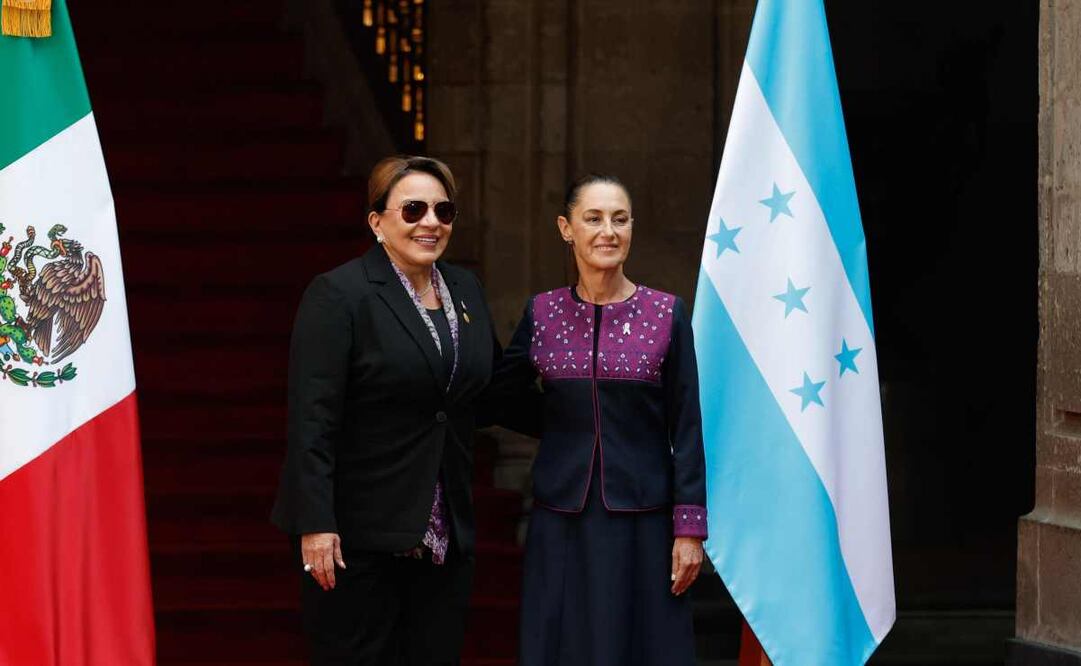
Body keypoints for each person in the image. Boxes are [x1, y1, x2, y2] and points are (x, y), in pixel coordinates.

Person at [270, 155, 500, 666]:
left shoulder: (465, 289)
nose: (431, 223)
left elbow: (487, 389)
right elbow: (313, 418)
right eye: (414, 209)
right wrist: (315, 522)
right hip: (356, 536)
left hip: (443, 534)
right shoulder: (339, 294)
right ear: (377, 222)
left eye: (444, 211)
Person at [498, 173, 708, 666]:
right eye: (593, 218)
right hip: (561, 515)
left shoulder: (666, 313)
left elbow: (688, 424)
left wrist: (689, 529)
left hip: (645, 518)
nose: (607, 231)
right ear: (566, 229)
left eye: (619, 219)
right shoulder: (542, 312)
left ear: (632, 228)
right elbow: (501, 396)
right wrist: (564, 425)